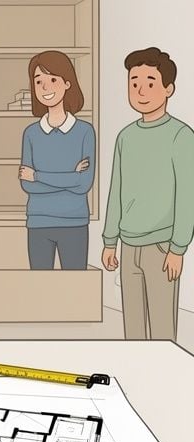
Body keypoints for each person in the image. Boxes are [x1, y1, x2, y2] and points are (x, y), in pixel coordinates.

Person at [102, 47, 194, 341]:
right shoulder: (125, 137)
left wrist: (178, 248)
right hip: (129, 247)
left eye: (150, 82)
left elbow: (187, 196)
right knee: (134, 329)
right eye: (134, 82)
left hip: (162, 247)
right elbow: (116, 190)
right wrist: (109, 241)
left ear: (169, 88)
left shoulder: (181, 135)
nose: (141, 90)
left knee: (163, 330)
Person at [18, 50, 96, 270]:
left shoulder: (84, 132)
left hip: (74, 223)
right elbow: (26, 184)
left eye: (52, 79)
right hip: (38, 222)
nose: (45, 87)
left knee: (75, 289)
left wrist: (38, 176)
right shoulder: (31, 133)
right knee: (41, 290)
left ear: (67, 83)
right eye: (38, 81)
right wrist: (70, 176)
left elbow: (84, 184)